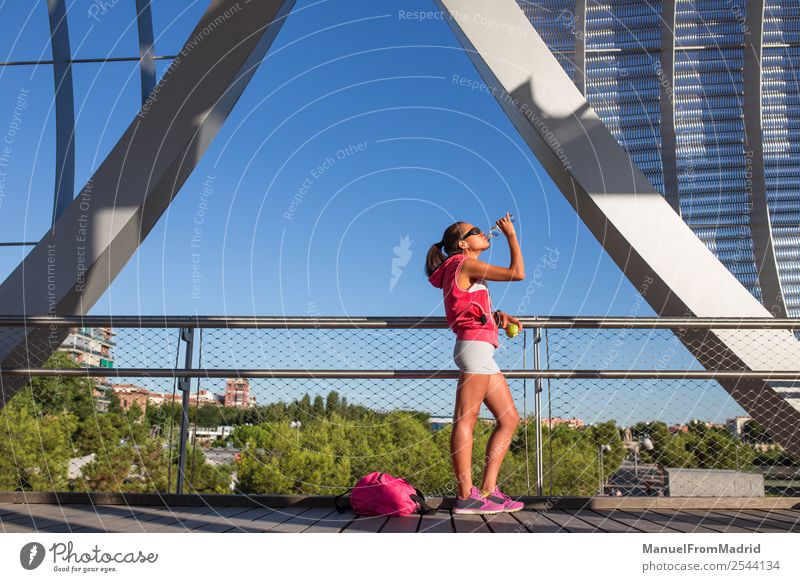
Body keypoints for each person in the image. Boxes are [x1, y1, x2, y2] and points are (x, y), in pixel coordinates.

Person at [426, 212, 526, 515]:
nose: (484, 233)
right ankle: (466, 495)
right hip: (474, 348)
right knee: (465, 421)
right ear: (462, 243)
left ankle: (488, 491)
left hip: (481, 347)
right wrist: (510, 235)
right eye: (476, 231)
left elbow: (466, 307)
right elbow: (517, 273)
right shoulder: (464, 263)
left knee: (509, 420)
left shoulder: (464, 268)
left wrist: (497, 317)